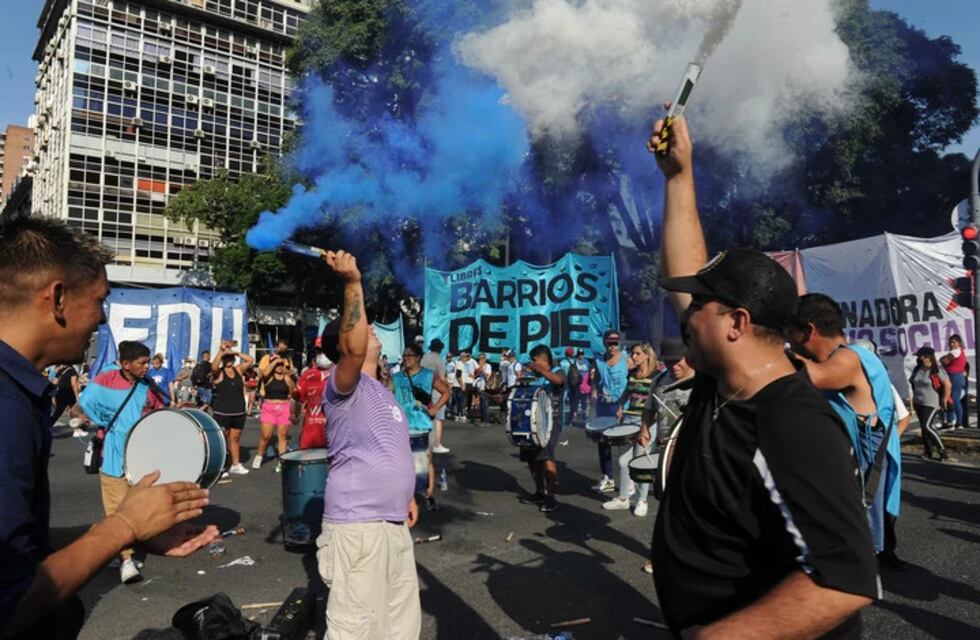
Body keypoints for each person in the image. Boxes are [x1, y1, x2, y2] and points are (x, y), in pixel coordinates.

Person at [648, 108, 877, 637]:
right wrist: (680, 176)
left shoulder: (793, 423)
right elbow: (686, 265)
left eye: (698, 306)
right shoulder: (722, 382)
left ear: (737, 322)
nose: (685, 314)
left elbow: (845, 580)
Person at [0, 218, 217, 639]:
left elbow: (16, 552)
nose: (101, 319)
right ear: (57, 298)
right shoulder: (6, 409)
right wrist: (125, 528)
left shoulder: (17, 393)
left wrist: (126, 529)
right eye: (100, 300)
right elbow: (9, 602)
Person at [316, 249, 421, 640]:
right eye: (365, 328)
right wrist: (352, 283)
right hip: (357, 526)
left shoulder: (382, 392)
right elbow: (354, 349)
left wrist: (406, 495)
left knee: (399, 627)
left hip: (392, 523)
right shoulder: (344, 386)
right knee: (356, 631)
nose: (372, 330)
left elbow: (388, 449)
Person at [788, 293, 902, 561]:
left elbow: (813, 377)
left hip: (859, 489)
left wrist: (763, 347)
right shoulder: (854, 356)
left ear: (808, 331)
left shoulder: (850, 358)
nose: (789, 342)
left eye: (789, 334)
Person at [78, 341, 171, 583]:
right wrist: (105, 422)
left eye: (148, 361)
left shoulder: (147, 385)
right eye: (142, 363)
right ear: (126, 363)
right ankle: (126, 560)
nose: (147, 367)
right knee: (117, 509)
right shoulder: (105, 380)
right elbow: (85, 403)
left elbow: (162, 409)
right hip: (114, 454)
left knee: (141, 503)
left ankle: (136, 542)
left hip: (143, 453)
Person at [392, 343, 451, 510]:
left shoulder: (428, 375)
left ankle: (429, 494)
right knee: (403, 463)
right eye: (404, 356)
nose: (406, 359)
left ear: (418, 357)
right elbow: (385, 392)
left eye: (409, 355)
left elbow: (446, 392)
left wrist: (436, 408)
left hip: (423, 426)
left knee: (425, 461)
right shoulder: (397, 378)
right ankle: (406, 497)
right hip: (402, 427)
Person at [602, 341, 657, 516]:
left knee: (640, 462)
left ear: (647, 355)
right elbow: (627, 391)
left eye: (637, 353)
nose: (633, 356)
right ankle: (624, 499)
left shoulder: (657, 375)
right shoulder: (633, 373)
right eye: (633, 353)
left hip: (647, 422)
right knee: (623, 461)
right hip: (629, 417)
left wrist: (650, 422)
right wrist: (620, 405)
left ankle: (642, 500)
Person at [517, 344, 566, 513]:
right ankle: (539, 491)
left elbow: (559, 381)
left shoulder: (558, 370)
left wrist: (541, 371)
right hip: (533, 421)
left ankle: (551, 496)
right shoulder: (534, 375)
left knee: (547, 456)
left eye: (535, 360)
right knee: (531, 458)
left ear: (545, 360)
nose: (533, 363)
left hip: (552, 421)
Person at [590, 329, 629, 494]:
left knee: (623, 444)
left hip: (622, 405)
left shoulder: (627, 359)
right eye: (610, 343)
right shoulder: (598, 361)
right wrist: (593, 391)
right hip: (604, 404)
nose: (613, 347)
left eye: (615, 343)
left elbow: (635, 379)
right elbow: (596, 379)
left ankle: (628, 482)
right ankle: (608, 477)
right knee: (603, 442)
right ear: (604, 343)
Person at [210, 340, 254, 475]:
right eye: (226, 358)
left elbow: (250, 360)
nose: (229, 360)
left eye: (231, 358)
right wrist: (221, 352)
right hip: (222, 412)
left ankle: (235, 464)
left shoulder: (238, 370)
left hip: (238, 411)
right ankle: (222, 466)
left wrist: (236, 352)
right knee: (223, 439)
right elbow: (213, 367)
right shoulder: (219, 372)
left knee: (235, 439)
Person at [254, 351, 297, 472]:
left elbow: (291, 393)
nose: (279, 366)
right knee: (266, 436)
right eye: (276, 364)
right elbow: (264, 372)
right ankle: (260, 455)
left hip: (284, 408)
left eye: (281, 364)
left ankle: (281, 461)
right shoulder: (268, 377)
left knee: (282, 436)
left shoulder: (287, 378)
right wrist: (276, 361)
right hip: (269, 408)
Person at [909, 346, 951, 461]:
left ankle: (942, 451)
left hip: (932, 402)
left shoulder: (936, 369)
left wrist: (944, 399)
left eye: (921, 356)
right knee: (923, 428)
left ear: (927, 357)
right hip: (919, 402)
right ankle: (928, 452)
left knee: (928, 426)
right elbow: (913, 382)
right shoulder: (917, 368)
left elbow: (947, 384)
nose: (919, 358)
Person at [296, 351, 332, 449]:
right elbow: (298, 398)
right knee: (306, 461)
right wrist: (295, 415)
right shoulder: (308, 375)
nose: (322, 355)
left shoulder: (342, 375)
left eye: (325, 350)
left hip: (333, 434)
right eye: (319, 351)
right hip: (310, 433)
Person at [420, 339, 450, 453]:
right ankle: (436, 444)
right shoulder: (439, 360)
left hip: (423, 390)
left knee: (424, 417)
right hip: (437, 392)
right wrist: (449, 385)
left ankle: (424, 442)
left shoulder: (423, 358)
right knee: (438, 418)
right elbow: (442, 378)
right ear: (440, 348)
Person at [940, 334, 967, 429]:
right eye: (950, 342)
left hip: (954, 377)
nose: (951, 344)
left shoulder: (956, 351)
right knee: (953, 400)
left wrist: (943, 358)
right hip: (955, 376)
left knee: (953, 400)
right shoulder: (959, 351)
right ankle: (955, 422)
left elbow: (944, 361)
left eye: (954, 342)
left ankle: (956, 422)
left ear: (959, 343)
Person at [473, 353, 493, 424]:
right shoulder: (478, 367)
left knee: (485, 405)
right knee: (481, 405)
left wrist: (481, 369)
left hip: (485, 387)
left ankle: (486, 421)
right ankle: (482, 420)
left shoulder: (488, 366)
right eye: (479, 359)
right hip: (479, 388)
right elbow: (475, 376)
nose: (480, 360)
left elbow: (486, 376)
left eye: (481, 358)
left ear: (484, 359)